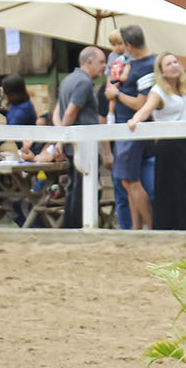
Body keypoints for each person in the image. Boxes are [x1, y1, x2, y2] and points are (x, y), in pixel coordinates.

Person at [127, 52, 186, 230]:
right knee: (176, 189)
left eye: (175, 62)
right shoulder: (158, 92)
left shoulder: (184, 87)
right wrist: (135, 120)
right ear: (161, 71)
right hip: (170, 146)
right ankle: (177, 227)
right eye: (168, 64)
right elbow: (146, 109)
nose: (174, 66)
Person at [105, 25, 156, 230]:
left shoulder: (146, 65)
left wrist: (115, 95)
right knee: (130, 182)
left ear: (128, 45)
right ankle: (136, 228)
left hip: (132, 129)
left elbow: (140, 104)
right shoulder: (135, 63)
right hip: (128, 128)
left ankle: (151, 227)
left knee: (129, 181)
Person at [55, 46, 106, 227]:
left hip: (71, 143)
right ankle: (78, 225)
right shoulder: (84, 83)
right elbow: (70, 112)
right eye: (101, 62)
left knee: (74, 187)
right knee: (83, 189)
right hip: (83, 144)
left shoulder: (67, 80)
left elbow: (57, 112)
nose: (104, 66)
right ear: (89, 62)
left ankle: (70, 225)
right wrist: (62, 138)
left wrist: (61, 136)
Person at [0, 74, 36, 159]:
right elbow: (13, 116)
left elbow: (10, 130)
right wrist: (2, 111)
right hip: (21, 150)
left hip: (30, 153)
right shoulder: (16, 105)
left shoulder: (24, 108)